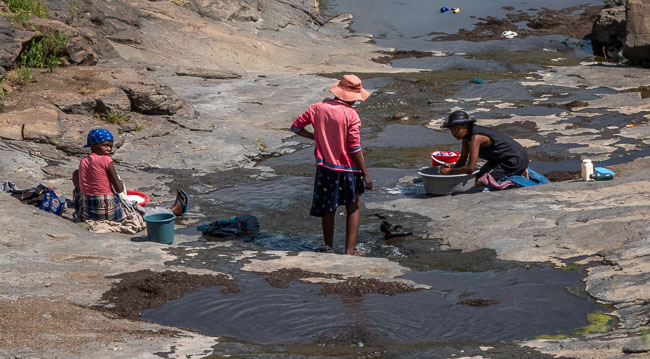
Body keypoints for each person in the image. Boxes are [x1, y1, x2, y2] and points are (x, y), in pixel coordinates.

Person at [291, 74, 373, 255]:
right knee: (354, 206)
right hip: (349, 169)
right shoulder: (351, 115)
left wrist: (316, 137)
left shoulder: (317, 108)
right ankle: (349, 252)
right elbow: (354, 147)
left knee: (329, 207)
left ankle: (328, 246)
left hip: (326, 167)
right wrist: (365, 172)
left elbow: (296, 127)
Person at [72, 128, 188, 222]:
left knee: (77, 174)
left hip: (88, 213)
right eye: (105, 146)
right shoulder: (106, 160)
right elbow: (119, 188)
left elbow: (79, 177)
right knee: (139, 210)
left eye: (110, 146)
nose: (109, 149)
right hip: (107, 211)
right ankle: (172, 211)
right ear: (93, 146)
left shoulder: (84, 161)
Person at [440, 110, 529, 181]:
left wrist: (450, 172)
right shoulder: (465, 138)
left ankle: (519, 172)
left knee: (480, 182)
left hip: (514, 160)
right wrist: (452, 167)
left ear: (466, 125)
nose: (454, 133)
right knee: (476, 176)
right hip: (498, 160)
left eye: (456, 129)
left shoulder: (476, 137)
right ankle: (518, 171)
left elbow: (470, 168)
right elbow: (463, 160)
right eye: (452, 130)